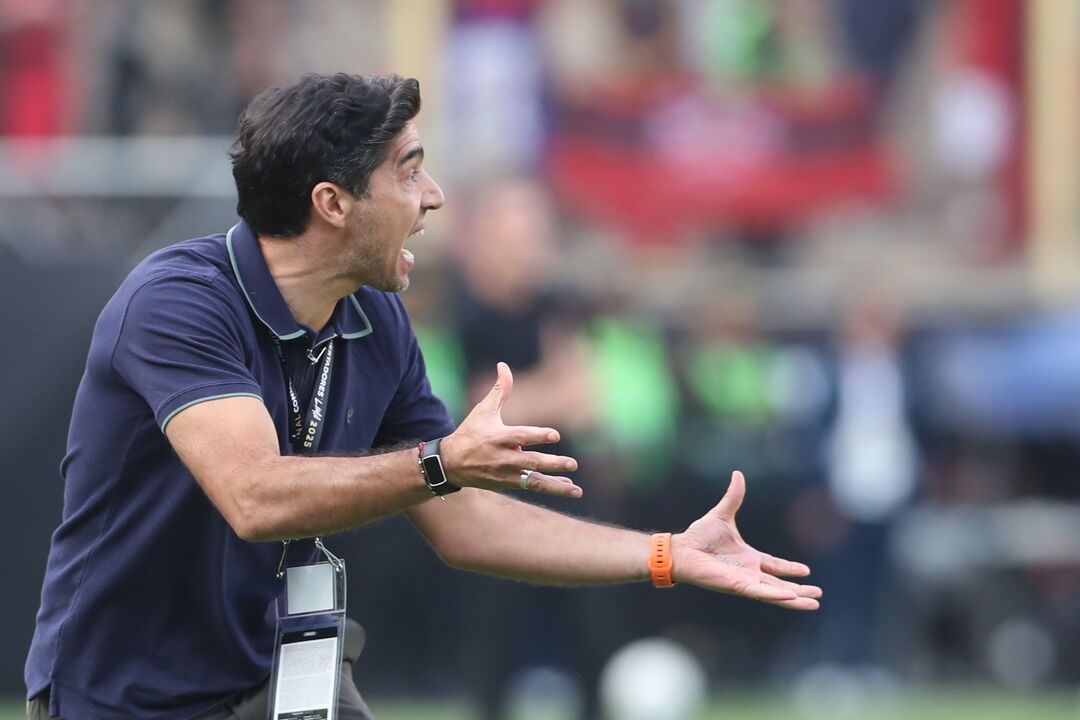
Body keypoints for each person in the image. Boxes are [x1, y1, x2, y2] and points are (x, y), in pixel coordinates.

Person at [25, 72, 821, 720]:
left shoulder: (377, 317)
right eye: (408, 171)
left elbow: (464, 521)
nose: (435, 196)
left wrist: (664, 553)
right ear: (333, 204)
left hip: (275, 682)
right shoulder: (176, 300)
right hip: (122, 698)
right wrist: (440, 462)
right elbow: (254, 494)